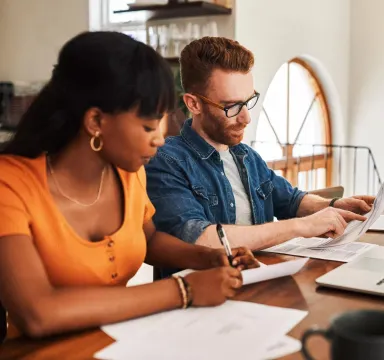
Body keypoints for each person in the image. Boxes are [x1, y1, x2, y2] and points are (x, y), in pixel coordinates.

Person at [0, 31, 258, 340]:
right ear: (96, 121)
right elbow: (37, 313)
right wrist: (183, 290)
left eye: (162, 123)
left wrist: (206, 258)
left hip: (122, 342)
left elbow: (147, 240)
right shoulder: (10, 184)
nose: (160, 139)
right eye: (148, 126)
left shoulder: (129, 172)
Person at [145, 37, 375, 278]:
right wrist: (301, 227)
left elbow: (291, 201)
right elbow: (198, 239)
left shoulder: (246, 156)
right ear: (194, 104)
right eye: (232, 106)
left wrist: (333, 206)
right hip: (203, 297)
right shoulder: (166, 161)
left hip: (260, 283)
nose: (246, 118)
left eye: (248, 102)